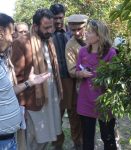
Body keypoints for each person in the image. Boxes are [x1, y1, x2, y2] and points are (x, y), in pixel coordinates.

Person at [11, 9, 63, 150]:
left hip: (50, 99)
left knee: (47, 137)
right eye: (46, 27)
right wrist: (22, 107)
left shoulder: (49, 41)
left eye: (51, 26)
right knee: (32, 141)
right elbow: (16, 77)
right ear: (35, 26)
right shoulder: (21, 43)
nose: (50, 30)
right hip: (33, 102)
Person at [0, 13, 50, 150]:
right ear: (1, 33)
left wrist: (30, 82)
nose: (12, 39)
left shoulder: (2, 60)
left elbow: (8, 90)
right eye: (11, 33)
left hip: (8, 139)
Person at [75, 20, 117, 150]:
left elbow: (114, 77)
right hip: (85, 100)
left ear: (99, 35)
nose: (86, 34)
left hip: (104, 102)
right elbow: (77, 71)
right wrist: (81, 74)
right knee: (87, 139)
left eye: (90, 32)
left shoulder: (111, 53)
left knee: (108, 137)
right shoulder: (82, 51)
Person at [50, 4, 82, 150]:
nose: (57, 21)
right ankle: (58, 144)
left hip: (73, 80)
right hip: (55, 83)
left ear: (64, 17)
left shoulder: (72, 33)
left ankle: (78, 143)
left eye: (60, 18)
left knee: (75, 115)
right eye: (55, 18)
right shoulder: (47, 35)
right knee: (56, 117)